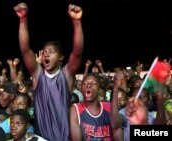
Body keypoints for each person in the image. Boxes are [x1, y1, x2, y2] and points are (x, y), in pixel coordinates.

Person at [14, 2, 84, 140]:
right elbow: (25, 48)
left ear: (60, 57)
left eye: (51, 52)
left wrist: (77, 22)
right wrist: (23, 20)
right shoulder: (37, 74)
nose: (46, 55)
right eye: (45, 52)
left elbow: (77, 52)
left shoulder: (66, 75)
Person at [70, 74, 112, 141]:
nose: (88, 85)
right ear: (81, 89)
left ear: (98, 89)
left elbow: (117, 129)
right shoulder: (76, 109)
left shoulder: (109, 107)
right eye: (84, 84)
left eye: (93, 83)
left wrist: (115, 89)